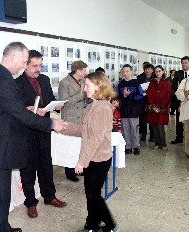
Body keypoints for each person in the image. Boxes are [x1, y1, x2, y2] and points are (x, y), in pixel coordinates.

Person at [0, 42, 65, 232]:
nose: (24, 65)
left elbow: (8, 110)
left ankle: (2, 227)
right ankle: (1, 229)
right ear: (12, 57)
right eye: (23, 61)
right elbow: (21, 117)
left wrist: (24, 109)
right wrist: (52, 124)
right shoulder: (3, 81)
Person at [62, 71, 118, 232]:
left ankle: (110, 225)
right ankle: (92, 223)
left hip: (98, 159)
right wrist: (63, 126)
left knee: (93, 195)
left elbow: (95, 139)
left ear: (98, 87)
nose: (84, 88)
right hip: (92, 158)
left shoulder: (102, 109)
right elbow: (83, 130)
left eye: (87, 85)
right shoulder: (92, 106)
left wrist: (82, 162)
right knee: (91, 194)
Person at [15, 50, 66, 219]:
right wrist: (27, 109)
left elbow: (49, 98)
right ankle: (30, 202)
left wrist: (56, 106)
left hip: (44, 129)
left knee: (46, 164)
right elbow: (16, 108)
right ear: (26, 65)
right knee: (28, 168)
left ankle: (49, 196)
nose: (38, 69)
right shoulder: (17, 83)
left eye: (40, 65)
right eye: (34, 66)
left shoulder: (44, 79)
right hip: (27, 132)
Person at [58, 60, 88, 182]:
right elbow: (65, 100)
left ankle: (79, 168)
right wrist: (81, 95)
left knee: (80, 145)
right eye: (84, 70)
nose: (86, 72)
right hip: (70, 117)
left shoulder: (83, 81)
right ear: (78, 70)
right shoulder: (64, 83)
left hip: (81, 116)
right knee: (70, 146)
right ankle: (69, 172)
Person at [118, 64, 144, 155]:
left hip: (134, 110)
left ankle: (136, 146)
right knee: (125, 129)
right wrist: (123, 96)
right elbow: (119, 98)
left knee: (134, 129)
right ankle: (128, 146)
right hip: (124, 110)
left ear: (131, 72)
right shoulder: (120, 84)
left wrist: (130, 95)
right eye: (123, 72)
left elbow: (140, 96)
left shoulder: (136, 83)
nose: (125, 73)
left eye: (127, 71)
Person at [146, 65, 172, 150]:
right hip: (153, 107)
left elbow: (168, 95)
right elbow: (149, 94)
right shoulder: (152, 82)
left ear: (163, 71)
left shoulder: (166, 82)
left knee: (160, 125)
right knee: (154, 125)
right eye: (156, 71)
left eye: (159, 71)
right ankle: (157, 143)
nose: (158, 73)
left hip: (162, 108)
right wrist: (153, 106)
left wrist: (161, 106)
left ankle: (163, 144)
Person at [171, 56, 189, 144]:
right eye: (182, 63)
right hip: (180, 100)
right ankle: (179, 137)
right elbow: (174, 86)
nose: (184, 64)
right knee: (179, 119)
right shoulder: (178, 74)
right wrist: (181, 88)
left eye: (185, 63)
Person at [137, 63, 155, 142]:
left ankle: (152, 136)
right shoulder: (140, 77)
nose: (147, 70)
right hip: (142, 99)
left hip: (152, 99)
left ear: (152, 70)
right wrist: (142, 91)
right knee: (143, 118)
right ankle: (143, 135)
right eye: (146, 69)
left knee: (151, 117)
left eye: (149, 69)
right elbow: (137, 87)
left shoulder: (155, 78)